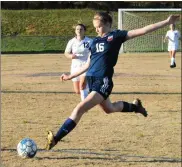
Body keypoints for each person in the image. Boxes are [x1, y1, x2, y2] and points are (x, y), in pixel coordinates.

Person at [45, 12, 179, 150]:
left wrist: (166, 22)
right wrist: (70, 76)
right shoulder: (94, 41)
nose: (96, 30)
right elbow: (88, 64)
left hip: (103, 81)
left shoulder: (116, 36)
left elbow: (143, 30)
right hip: (92, 81)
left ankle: (56, 139)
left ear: (108, 24)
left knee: (80, 108)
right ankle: (135, 107)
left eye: (99, 27)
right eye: (95, 27)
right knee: (109, 109)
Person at [64, 24, 93, 101]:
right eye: (77, 29)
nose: (79, 31)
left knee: (82, 86)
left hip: (86, 65)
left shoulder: (90, 41)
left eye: (81, 29)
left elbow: (93, 52)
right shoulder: (72, 41)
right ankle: (90, 91)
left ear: (84, 31)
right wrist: (70, 56)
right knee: (77, 91)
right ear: (75, 31)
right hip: (75, 66)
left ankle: (84, 104)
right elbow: (66, 53)